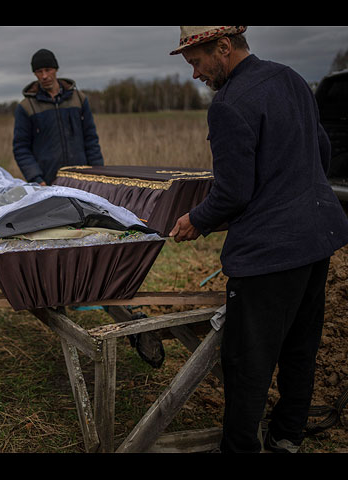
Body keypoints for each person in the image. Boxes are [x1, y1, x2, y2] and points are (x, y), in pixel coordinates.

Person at [168, 26, 348, 453]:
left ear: (224, 48)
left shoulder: (229, 105)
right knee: (300, 348)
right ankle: (287, 437)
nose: (195, 75)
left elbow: (233, 193)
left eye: (196, 62)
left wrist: (196, 219)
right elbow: (321, 151)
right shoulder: (290, 78)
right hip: (316, 240)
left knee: (247, 362)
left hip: (269, 256)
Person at [13, 48, 104, 186]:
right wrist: (37, 179)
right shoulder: (26, 107)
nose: (44, 76)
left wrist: (98, 174)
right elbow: (21, 148)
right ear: (35, 74)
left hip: (83, 179)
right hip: (48, 183)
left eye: (48, 70)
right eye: (39, 71)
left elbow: (91, 139)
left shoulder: (79, 99)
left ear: (56, 69)